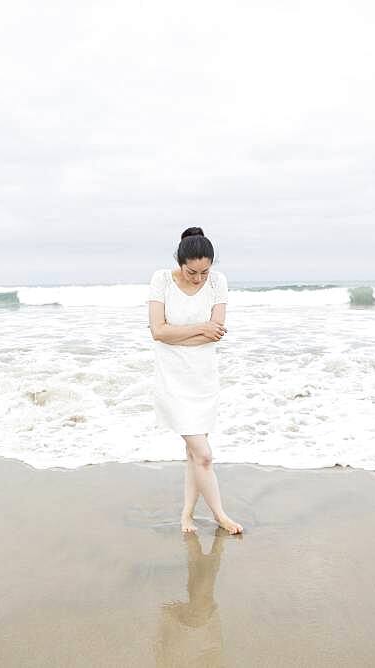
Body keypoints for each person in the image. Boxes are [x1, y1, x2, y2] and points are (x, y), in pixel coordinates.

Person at [148, 227, 244, 535]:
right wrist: (200, 329)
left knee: (193, 454)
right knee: (204, 455)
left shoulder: (218, 282)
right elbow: (158, 332)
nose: (199, 278)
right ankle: (219, 514)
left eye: (205, 272)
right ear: (179, 262)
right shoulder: (161, 280)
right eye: (192, 272)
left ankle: (186, 514)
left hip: (204, 378)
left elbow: (216, 333)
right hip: (172, 379)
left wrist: (182, 335)